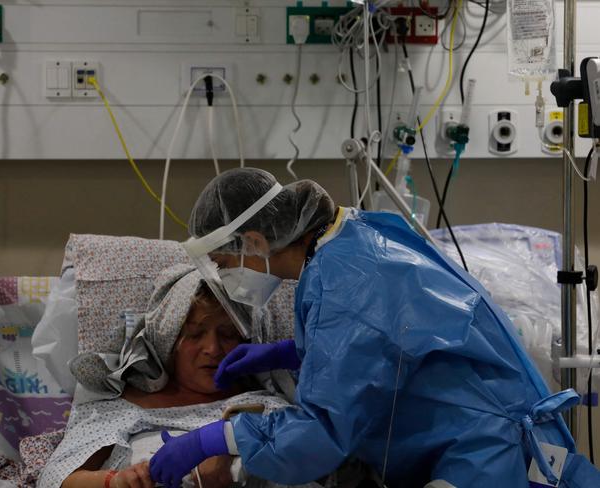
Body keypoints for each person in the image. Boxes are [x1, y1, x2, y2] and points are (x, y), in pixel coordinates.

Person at [149, 168, 600, 488]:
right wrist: (291, 352)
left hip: (485, 454)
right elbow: (388, 341)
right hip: (485, 432)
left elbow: (323, 431)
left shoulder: (347, 282)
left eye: (225, 264)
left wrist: (213, 439)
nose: (228, 279)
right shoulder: (351, 235)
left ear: (255, 242)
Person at [38, 265, 293, 488]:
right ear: (168, 341)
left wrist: (232, 447)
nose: (213, 349)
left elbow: (311, 462)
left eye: (227, 335)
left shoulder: (266, 407)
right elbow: (57, 480)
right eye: (195, 334)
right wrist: (115, 481)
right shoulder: (122, 406)